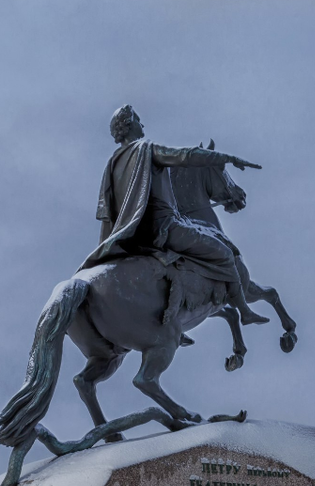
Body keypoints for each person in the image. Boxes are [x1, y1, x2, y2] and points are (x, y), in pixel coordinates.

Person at [81, 105, 269, 326]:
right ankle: (244, 312)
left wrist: (107, 248)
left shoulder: (111, 165)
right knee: (225, 254)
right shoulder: (145, 149)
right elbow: (185, 156)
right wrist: (225, 158)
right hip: (164, 228)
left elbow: (105, 213)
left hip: (131, 237)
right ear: (130, 125)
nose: (143, 125)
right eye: (140, 121)